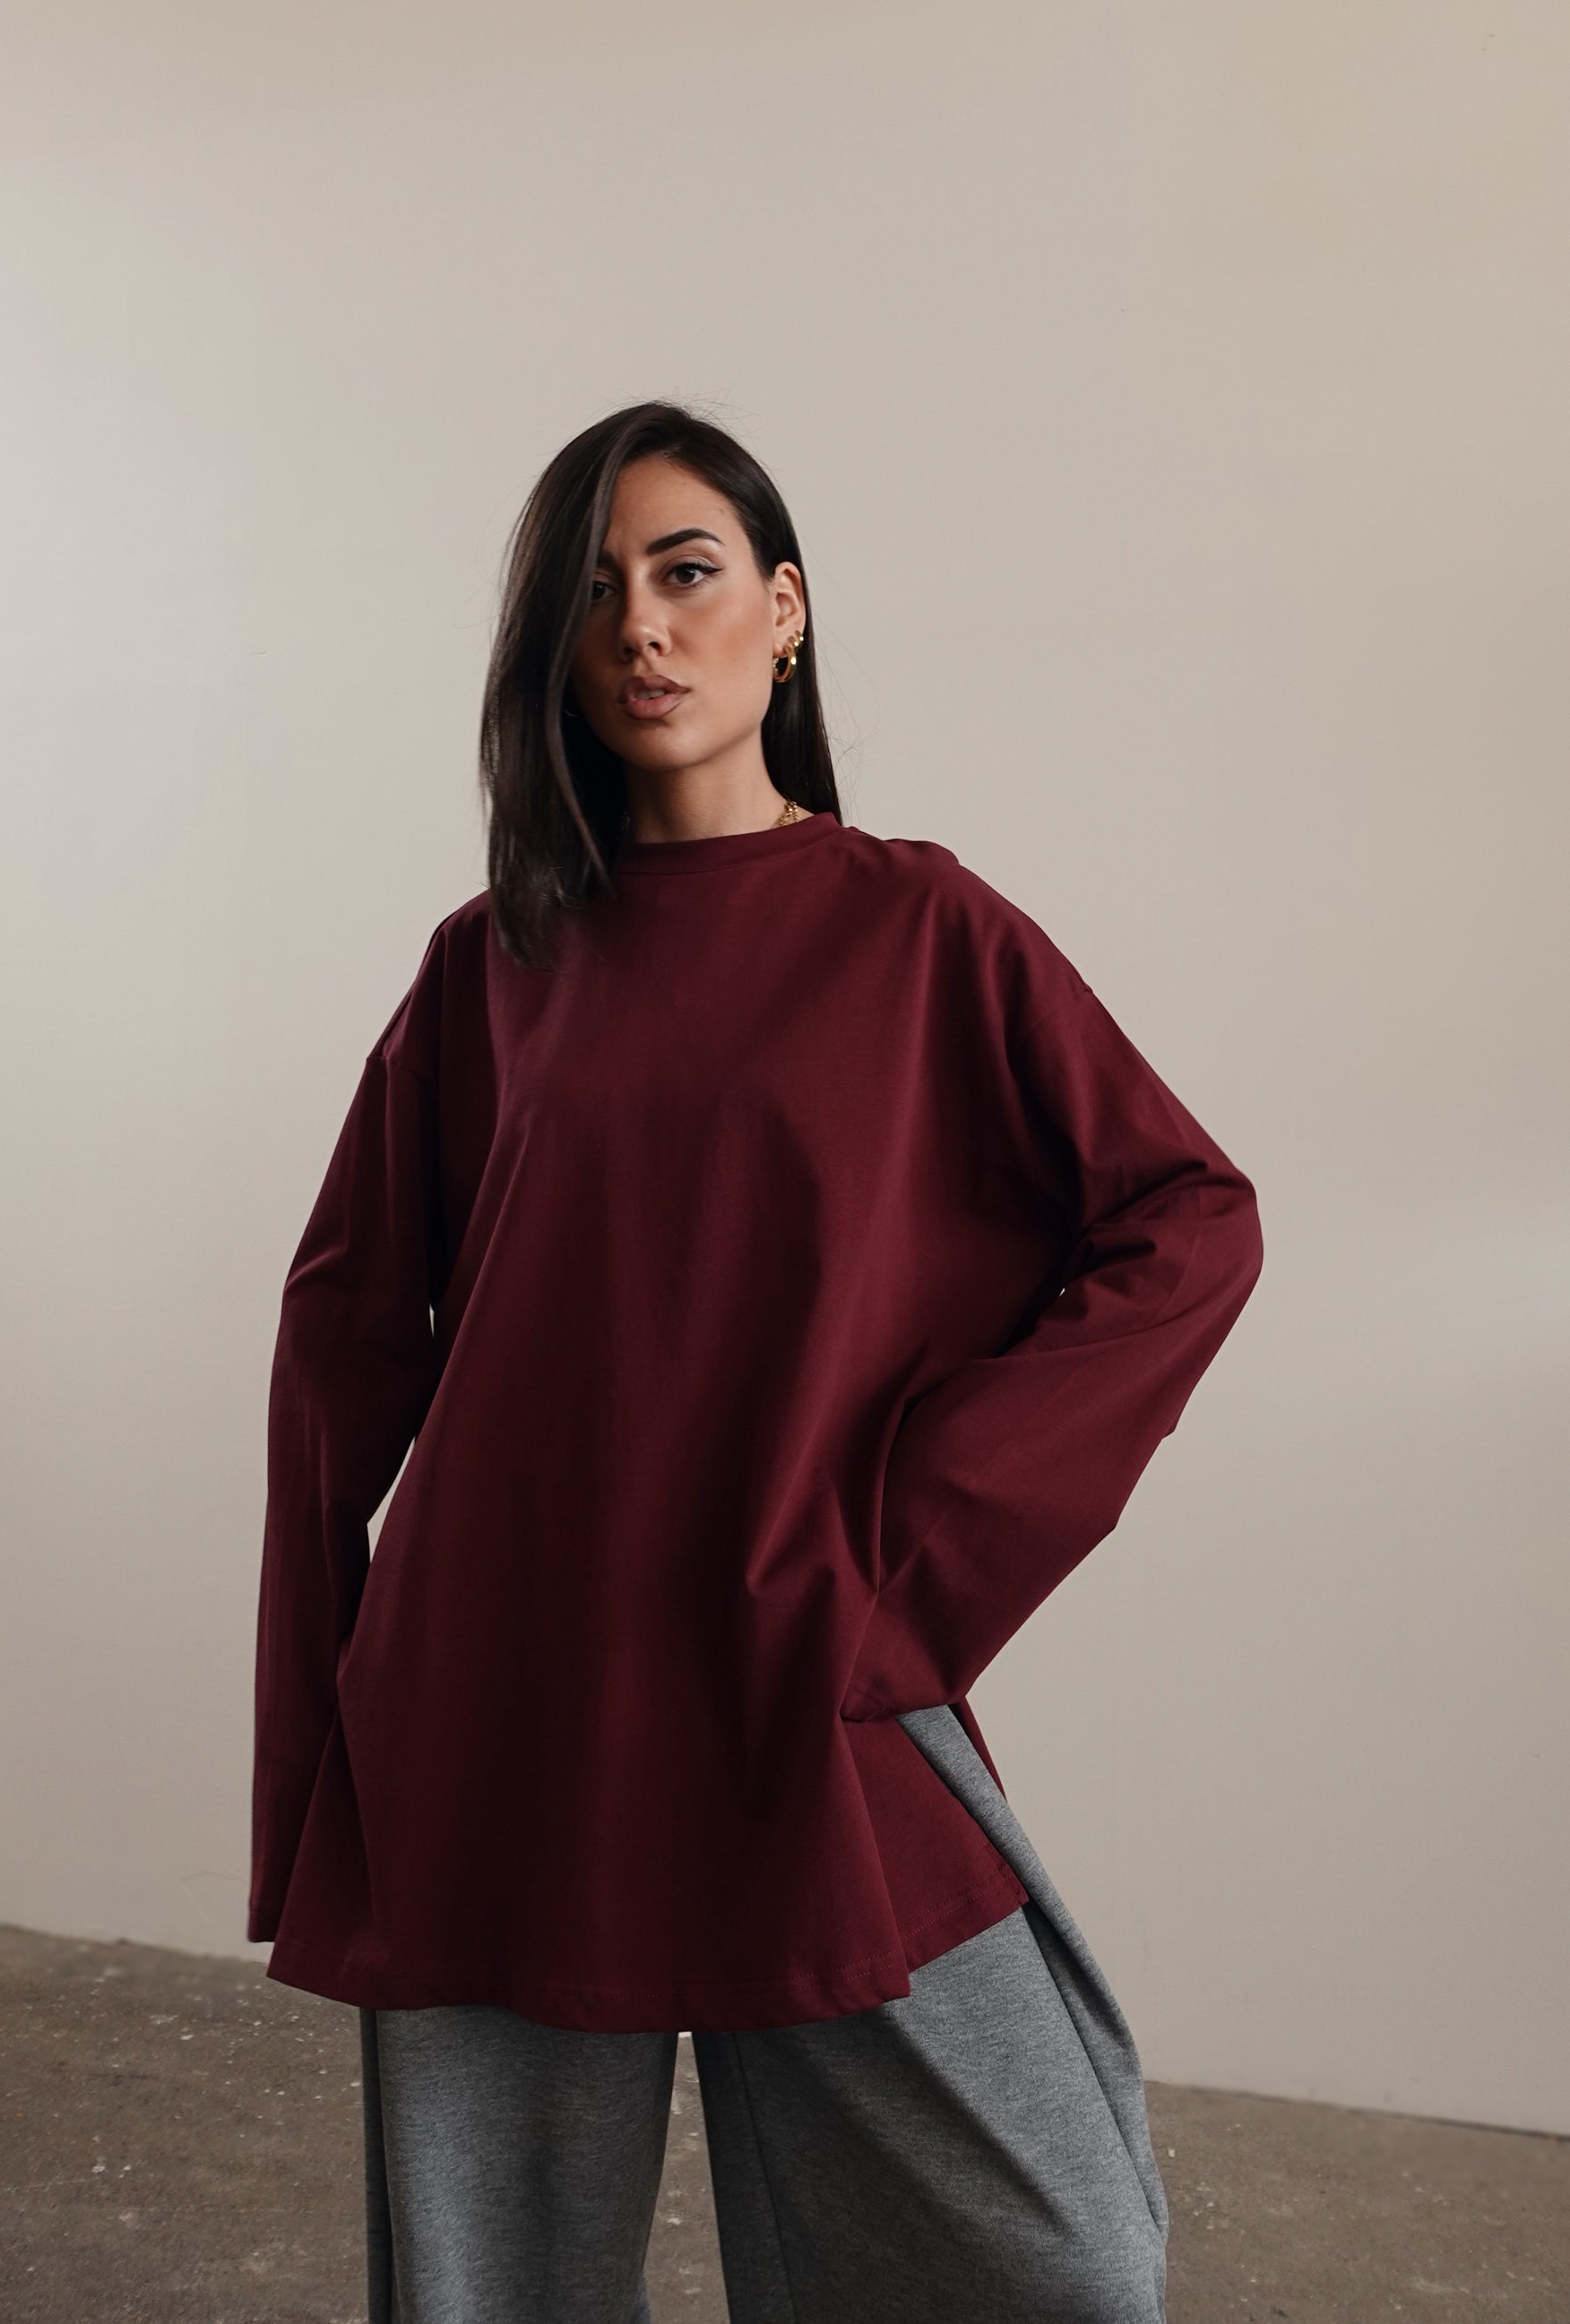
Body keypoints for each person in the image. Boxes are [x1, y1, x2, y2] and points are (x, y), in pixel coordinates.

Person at [248, 400, 1264, 2323]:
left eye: (687, 570)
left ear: (783, 610)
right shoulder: (491, 963)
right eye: (592, 593)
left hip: (802, 1672)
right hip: (500, 1706)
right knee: (492, 2297)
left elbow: (1186, 1220)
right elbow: (342, 1336)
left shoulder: (924, 932)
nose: (641, 624)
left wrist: (911, 1557)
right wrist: (313, 1753)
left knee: (1064, 2259)